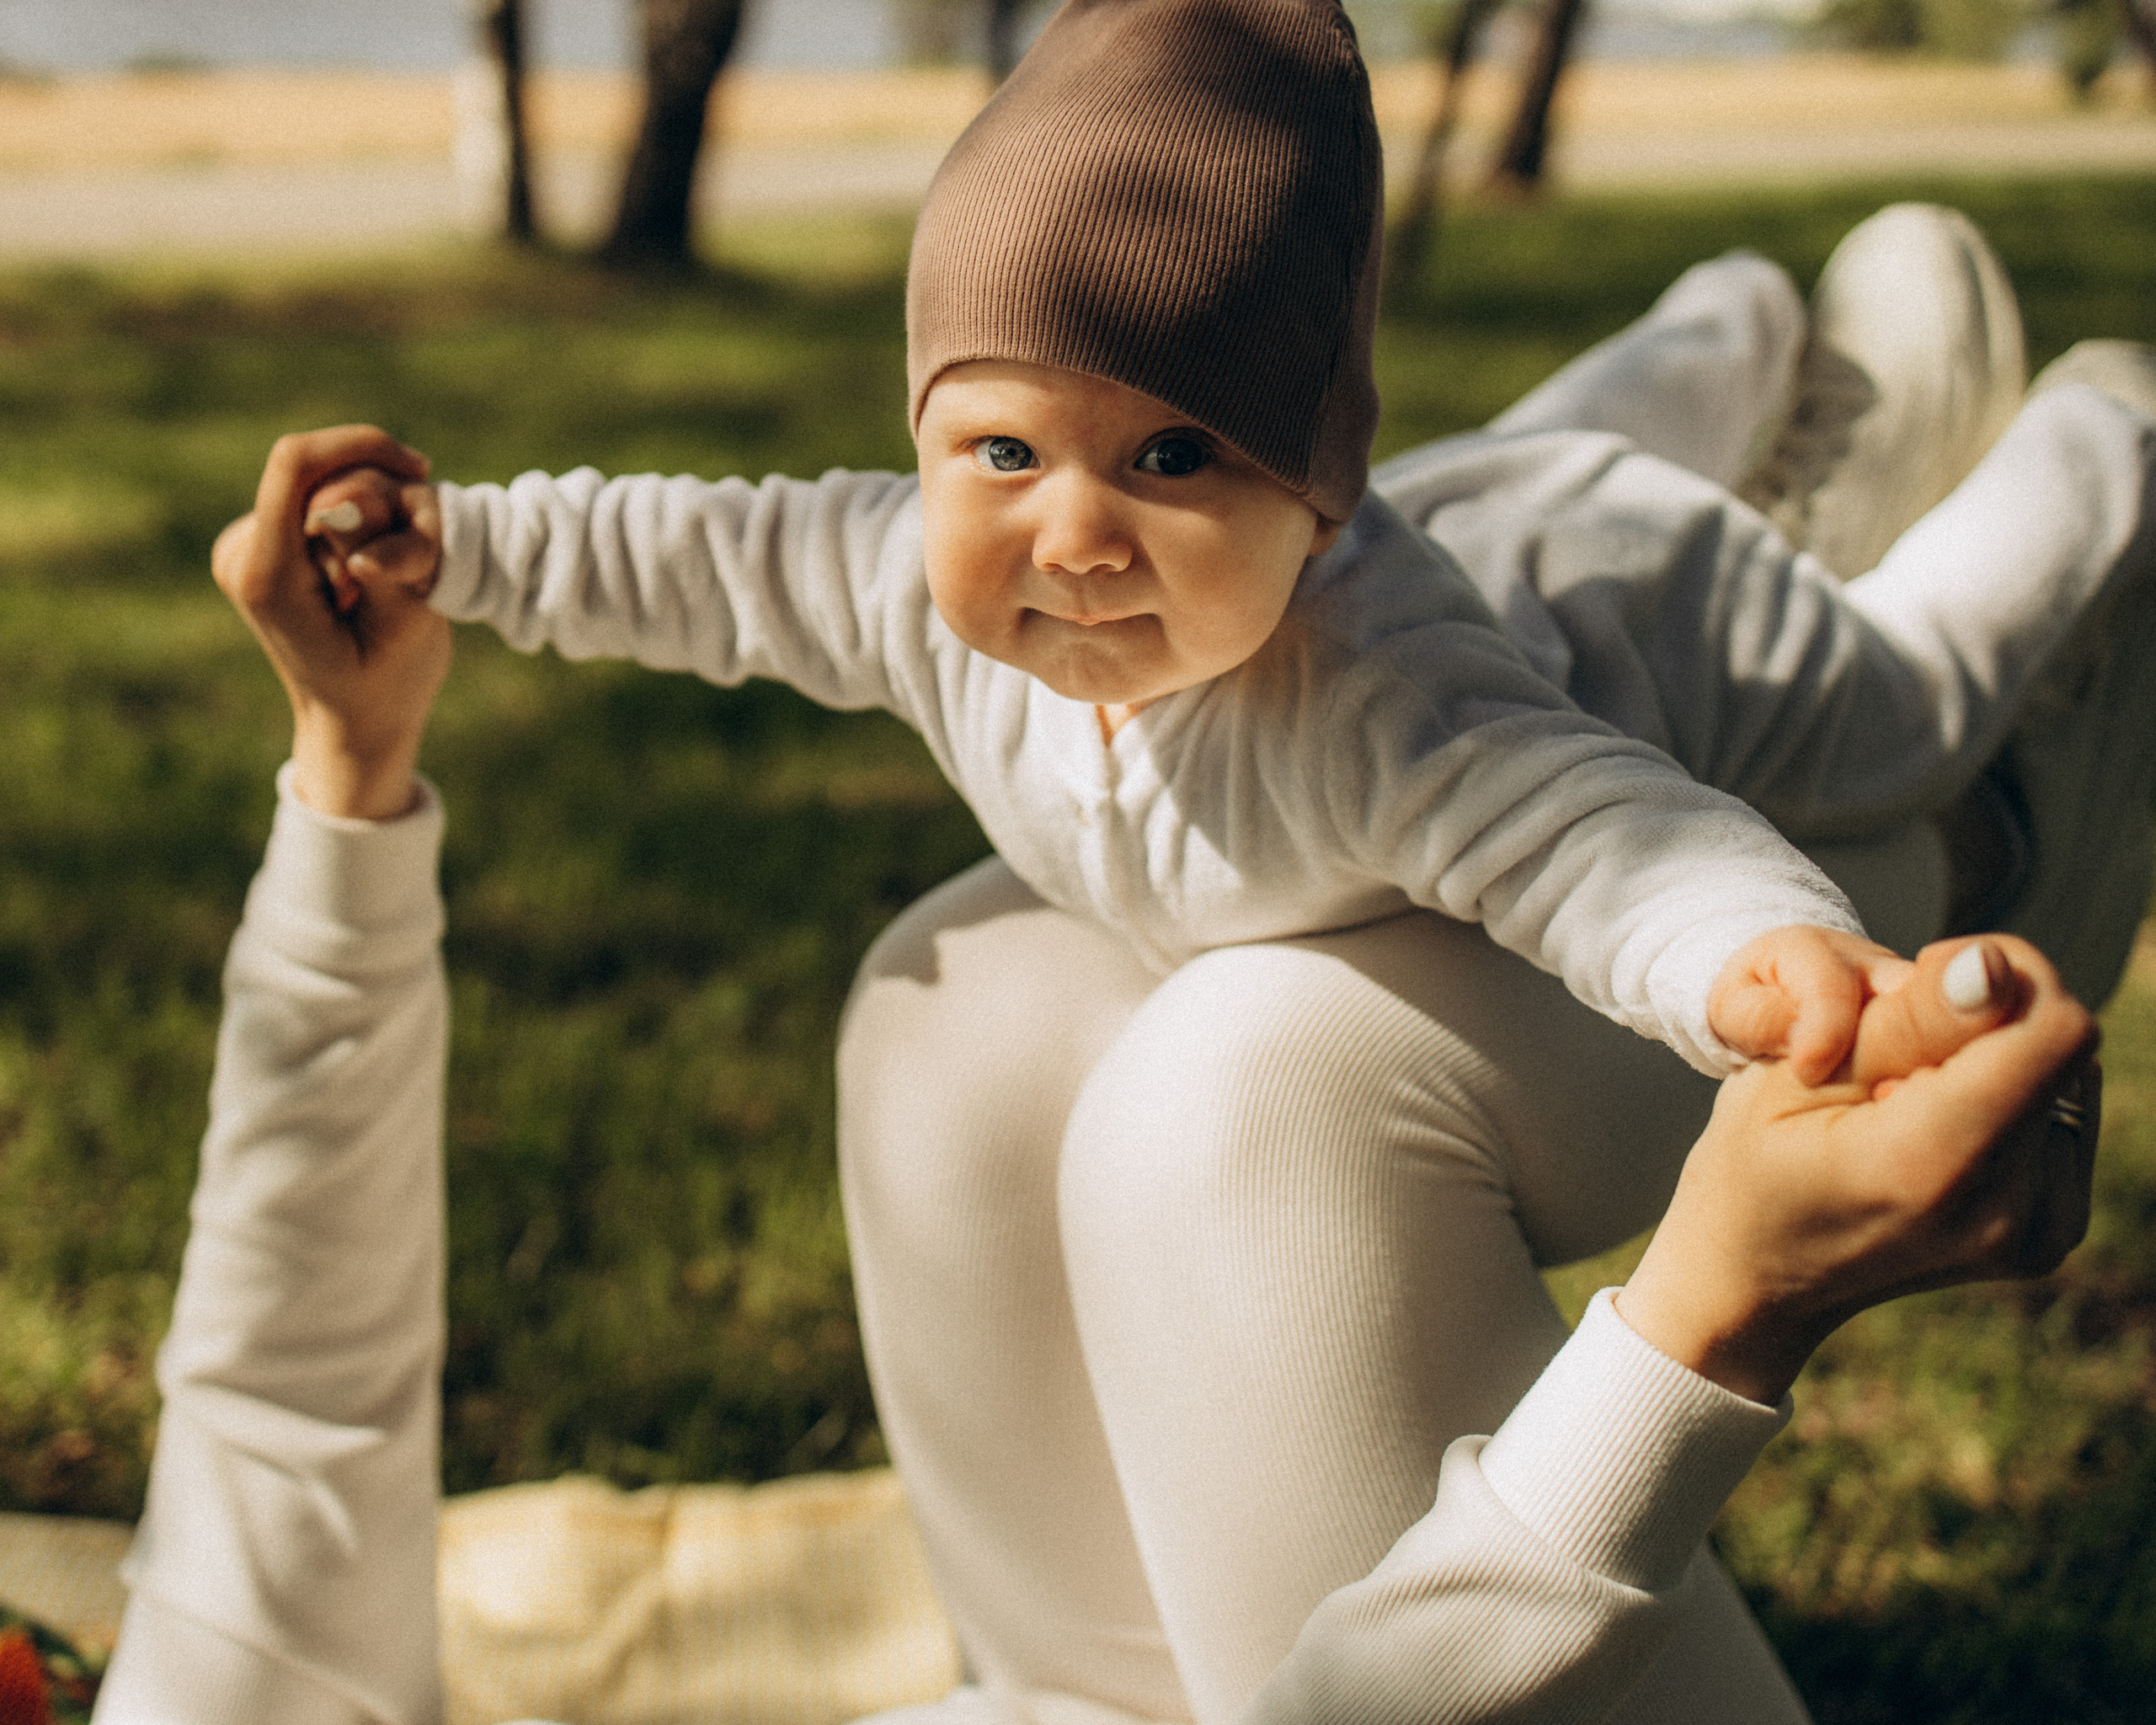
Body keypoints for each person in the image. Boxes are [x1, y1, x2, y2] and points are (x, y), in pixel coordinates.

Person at [100, 1, 2153, 1720]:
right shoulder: (1024, 595)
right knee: (1254, 1046)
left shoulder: (1364, 681)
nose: (1065, 534)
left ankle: (1826, 460)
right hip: (1525, 647)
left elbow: (1593, 834)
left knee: (964, 997)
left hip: (1555, 655)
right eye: (996, 455)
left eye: (1163, 454)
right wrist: (1717, 1242)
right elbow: (1604, 846)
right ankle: (2045, 590)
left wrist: (403, 669)